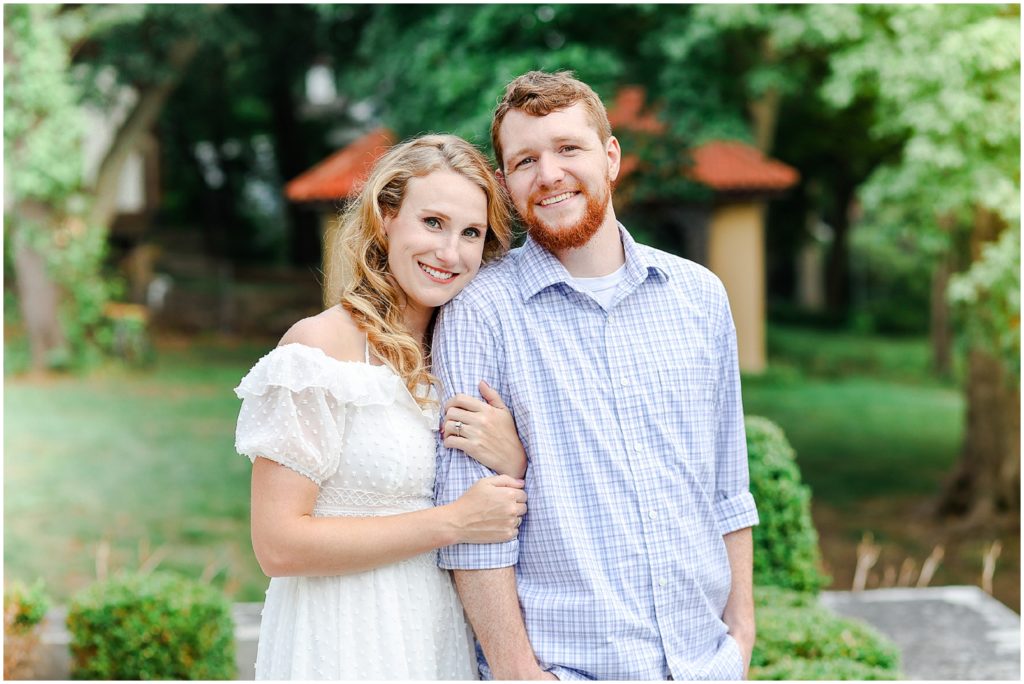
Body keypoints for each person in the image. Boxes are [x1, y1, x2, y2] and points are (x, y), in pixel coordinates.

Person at [433, 71, 759, 680]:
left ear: (610, 157)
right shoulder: (481, 311)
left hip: (705, 663)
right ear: (504, 184)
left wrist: (740, 635)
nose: (549, 174)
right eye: (525, 159)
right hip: (573, 669)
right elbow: (472, 522)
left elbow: (727, 482)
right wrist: (518, 674)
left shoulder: (699, 296)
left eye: (568, 148)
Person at [234, 134, 530, 680]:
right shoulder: (317, 350)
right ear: (387, 217)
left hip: (438, 634)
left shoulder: (464, 355)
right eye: (433, 223)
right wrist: (452, 523)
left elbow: (501, 509)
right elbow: (277, 544)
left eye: (471, 233)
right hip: (342, 635)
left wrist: (513, 461)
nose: (450, 252)